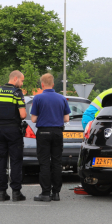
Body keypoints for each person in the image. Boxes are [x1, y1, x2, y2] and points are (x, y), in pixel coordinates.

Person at [30, 74, 71, 202]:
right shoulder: (62, 98)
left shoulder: (38, 98)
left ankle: (45, 193)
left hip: (43, 133)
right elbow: (66, 119)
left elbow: (33, 119)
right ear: (53, 84)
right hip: (58, 132)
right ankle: (56, 193)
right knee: (57, 162)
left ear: (42, 84)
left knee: (44, 163)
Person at [0, 71, 27, 202]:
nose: (22, 83)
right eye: (22, 81)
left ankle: (2, 192)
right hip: (13, 130)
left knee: (1, 160)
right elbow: (23, 115)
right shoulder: (17, 92)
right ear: (16, 79)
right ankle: (16, 193)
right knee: (16, 160)